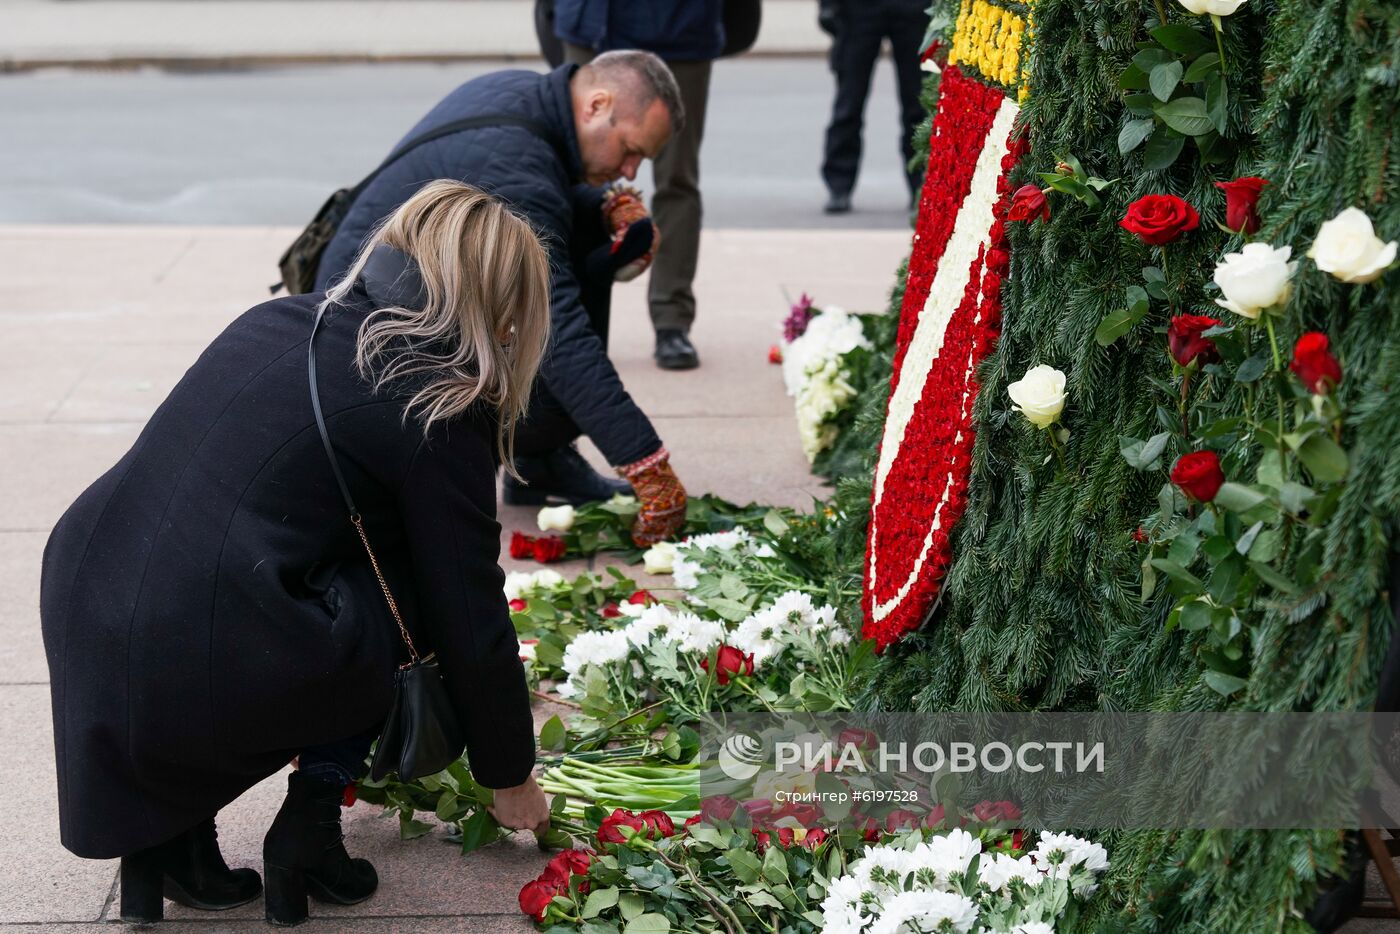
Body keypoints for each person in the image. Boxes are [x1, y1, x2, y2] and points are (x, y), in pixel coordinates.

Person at [41, 182, 556, 925]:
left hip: (86, 593)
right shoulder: (431, 401)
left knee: (278, 559)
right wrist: (511, 775)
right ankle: (308, 829)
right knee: (414, 593)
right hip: (196, 644)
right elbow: (468, 614)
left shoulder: (278, 319)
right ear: (499, 307)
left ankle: (169, 845)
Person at [316, 53, 691, 528]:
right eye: (630, 149)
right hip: (364, 343)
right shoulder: (517, 159)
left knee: (582, 232)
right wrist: (648, 464)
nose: (631, 171)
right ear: (597, 105)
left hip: (382, 295)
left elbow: (546, 200)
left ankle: (540, 460)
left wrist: (607, 205)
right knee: (555, 295)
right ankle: (489, 454)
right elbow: (561, 334)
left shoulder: (524, 92)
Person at [553, 0, 725, 371]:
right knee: (574, 170)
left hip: (680, 26)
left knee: (677, 178)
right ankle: (570, 317)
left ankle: (671, 320)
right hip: (590, 20)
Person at [818, 0, 930, 215]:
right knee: (849, 104)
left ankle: (921, 183)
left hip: (913, 7)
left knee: (917, 105)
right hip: (858, 9)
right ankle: (839, 185)